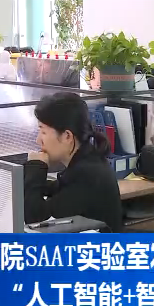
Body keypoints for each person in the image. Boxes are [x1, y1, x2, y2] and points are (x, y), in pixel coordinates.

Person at [24, 93, 123, 232]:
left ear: (67, 136)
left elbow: (35, 219)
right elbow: (60, 189)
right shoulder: (87, 162)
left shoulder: (88, 175)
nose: (38, 140)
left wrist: (36, 167)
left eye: (43, 132)